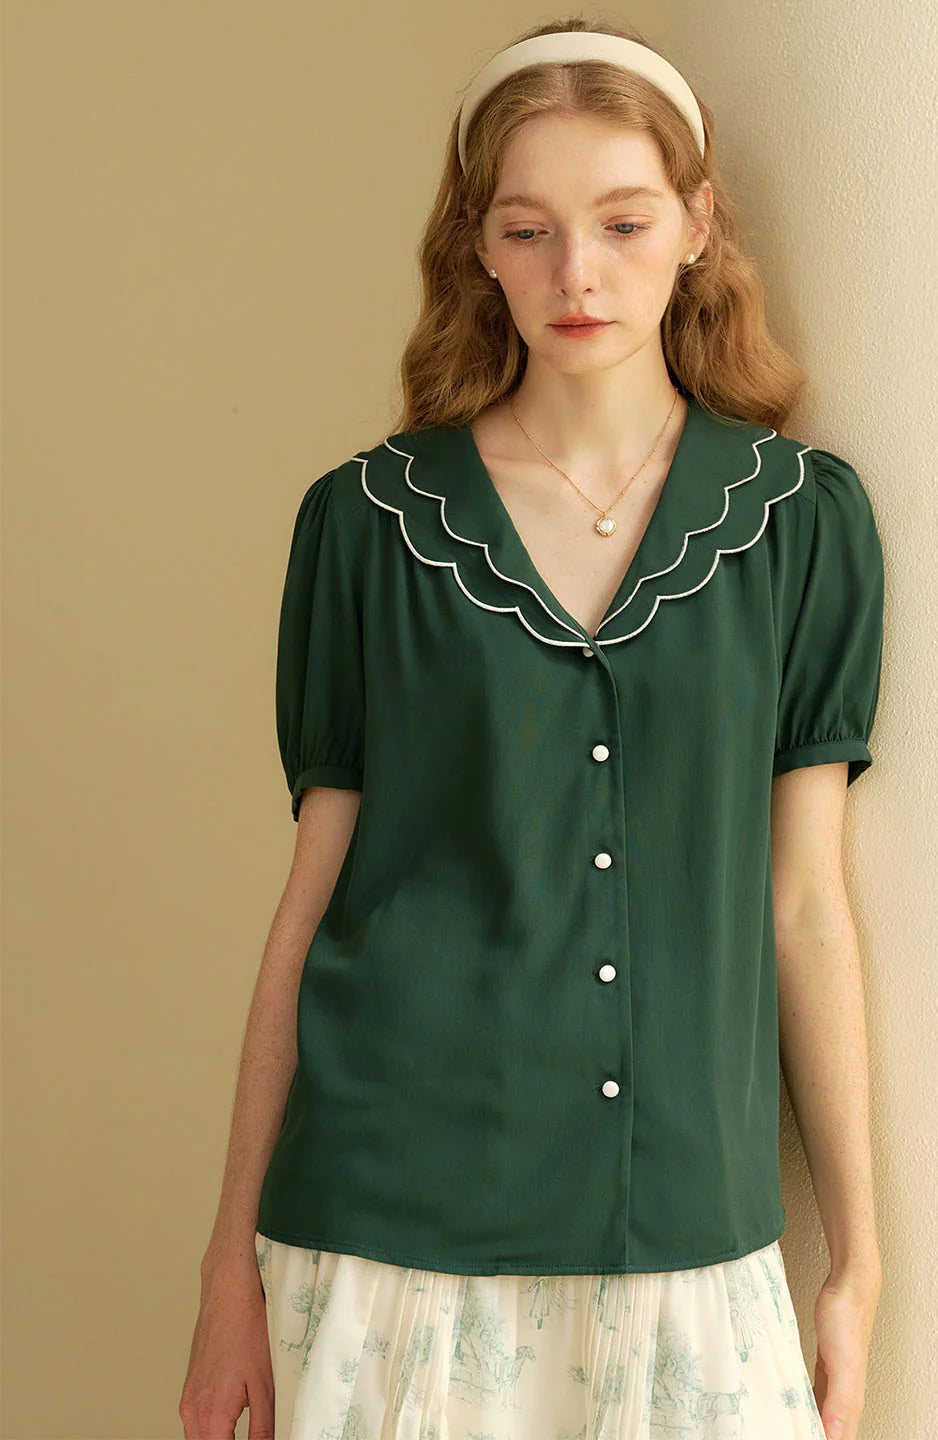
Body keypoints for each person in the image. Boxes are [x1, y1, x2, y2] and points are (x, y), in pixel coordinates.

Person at [180, 17, 885, 1440]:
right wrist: (225, 1269)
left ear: (696, 225)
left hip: (686, 1225)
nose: (578, 274)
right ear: (479, 247)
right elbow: (313, 903)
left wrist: (857, 1264)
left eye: (623, 222)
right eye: (529, 229)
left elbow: (805, 902)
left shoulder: (801, 526)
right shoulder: (366, 527)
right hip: (387, 1234)